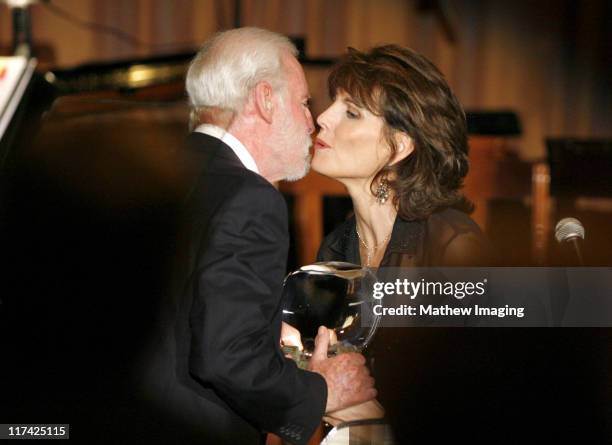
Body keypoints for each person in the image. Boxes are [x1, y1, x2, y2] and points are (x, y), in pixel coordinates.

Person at [141, 28, 376, 445]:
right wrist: (322, 391)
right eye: (305, 103)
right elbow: (227, 355)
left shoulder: (158, 175)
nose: (313, 119)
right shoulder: (251, 198)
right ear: (265, 99)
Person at [311, 45, 491, 443]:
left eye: (351, 112)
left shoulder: (451, 244)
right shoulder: (337, 248)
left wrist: (373, 418)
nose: (322, 117)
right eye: (333, 105)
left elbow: (481, 400)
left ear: (400, 147)